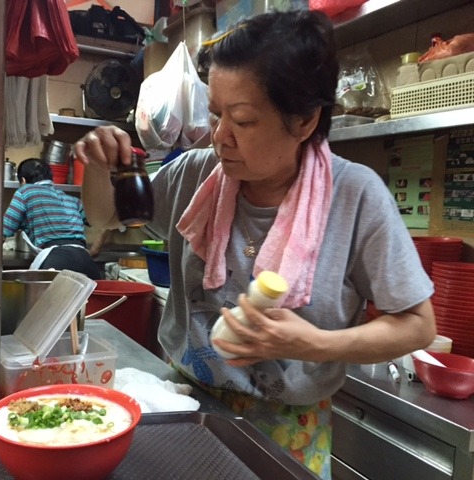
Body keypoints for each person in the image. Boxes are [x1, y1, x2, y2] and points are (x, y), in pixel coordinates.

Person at [73, 10, 435, 480]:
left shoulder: (355, 197)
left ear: (304, 120)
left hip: (288, 424)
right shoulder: (195, 174)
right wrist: (100, 166)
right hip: (183, 402)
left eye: (241, 120)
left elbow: (417, 325)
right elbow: (104, 217)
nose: (220, 136)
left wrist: (315, 343)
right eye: (215, 113)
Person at [3, 158, 101, 279]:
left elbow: (2, 231)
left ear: (23, 180)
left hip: (56, 261)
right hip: (86, 261)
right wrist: (95, 249)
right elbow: (100, 222)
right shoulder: (71, 199)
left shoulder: (25, 192)